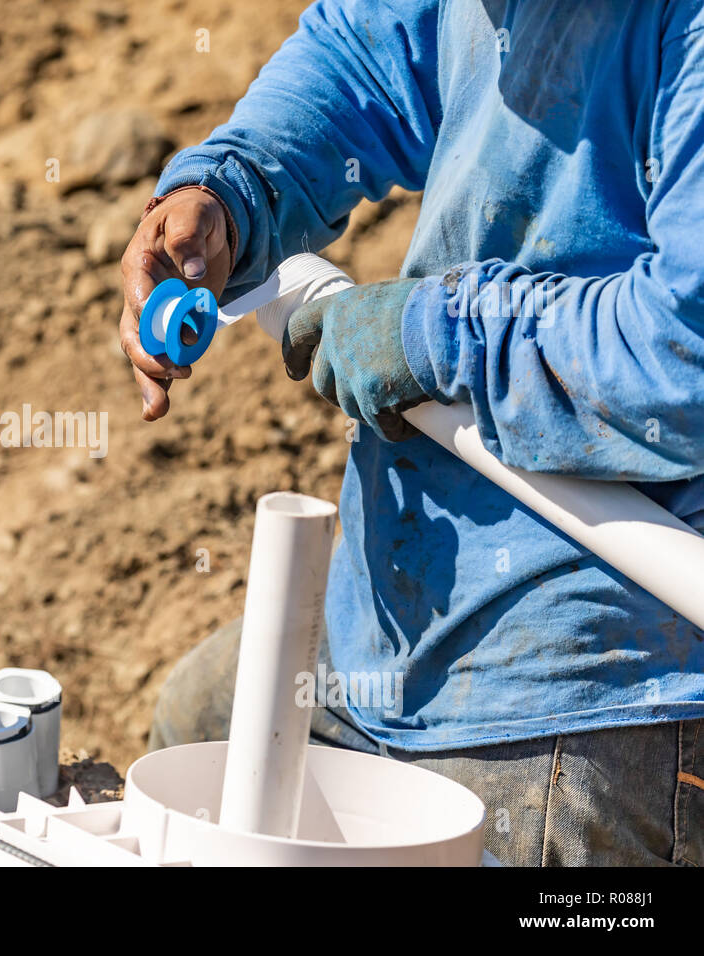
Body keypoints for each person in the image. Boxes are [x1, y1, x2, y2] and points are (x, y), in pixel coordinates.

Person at [120, 0, 704, 866]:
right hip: (395, 601)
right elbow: (366, 54)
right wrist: (233, 189)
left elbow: (684, 357)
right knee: (198, 728)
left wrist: (439, 335)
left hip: (597, 672)